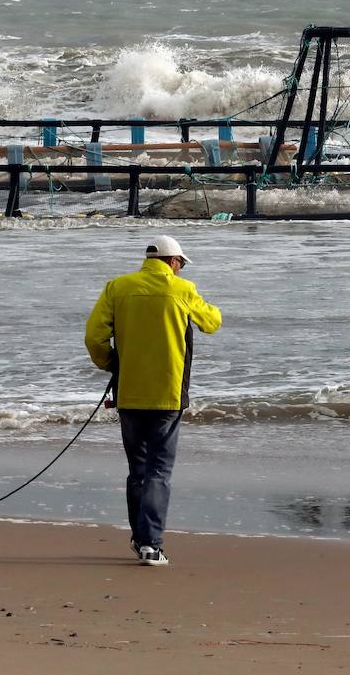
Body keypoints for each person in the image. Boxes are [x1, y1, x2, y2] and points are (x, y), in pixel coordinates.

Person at [84, 235, 222, 567]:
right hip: (168, 394)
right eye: (181, 265)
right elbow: (213, 322)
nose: (181, 270)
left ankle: (139, 537)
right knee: (159, 470)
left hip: (129, 393)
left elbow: (94, 336)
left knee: (138, 470)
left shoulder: (117, 287)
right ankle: (151, 544)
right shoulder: (182, 291)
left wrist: (111, 364)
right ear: (173, 262)